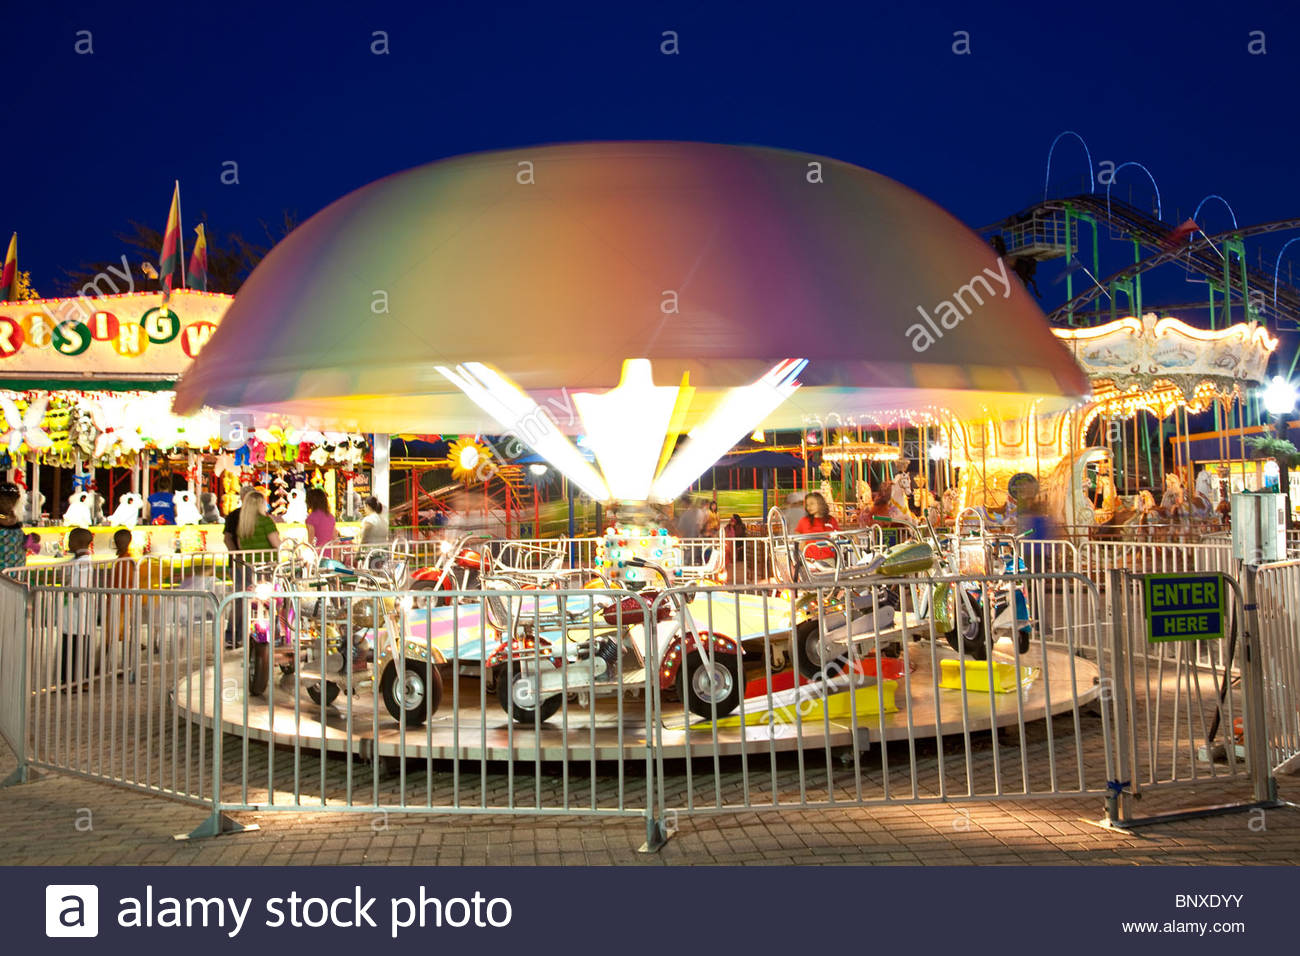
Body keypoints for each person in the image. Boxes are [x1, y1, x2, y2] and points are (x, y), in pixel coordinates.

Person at [61, 527, 96, 686]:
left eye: (71, 540)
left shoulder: (84, 564)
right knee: (71, 644)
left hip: (78, 612)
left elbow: (78, 587)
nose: (68, 543)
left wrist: (64, 588)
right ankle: (71, 679)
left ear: (79, 542)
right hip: (72, 613)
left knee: (77, 647)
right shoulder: (77, 561)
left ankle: (77, 680)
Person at [794, 491, 839, 562]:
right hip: (809, 560)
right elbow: (797, 537)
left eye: (812, 504)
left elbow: (839, 533)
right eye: (807, 505)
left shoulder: (831, 520)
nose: (809, 507)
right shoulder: (804, 521)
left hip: (828, 558)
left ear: (820, 503)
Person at [236, 491, 282, 556]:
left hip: (249, 562)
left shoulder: (242, 524)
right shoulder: (266, 520)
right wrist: (284, 542)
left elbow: (240, 546)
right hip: (267, 560)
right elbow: (276, 544)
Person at [0, 482, 27, 573]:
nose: (10, 504)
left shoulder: (12, 517)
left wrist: (30, 539)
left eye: (12, 500)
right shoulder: (5, 517)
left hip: (15, 569)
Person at [304, 486, 337, 553]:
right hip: (330, 550)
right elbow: (335, 537)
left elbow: (311, 538)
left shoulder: (311, 518)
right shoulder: (330, 516)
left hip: (318, 552)